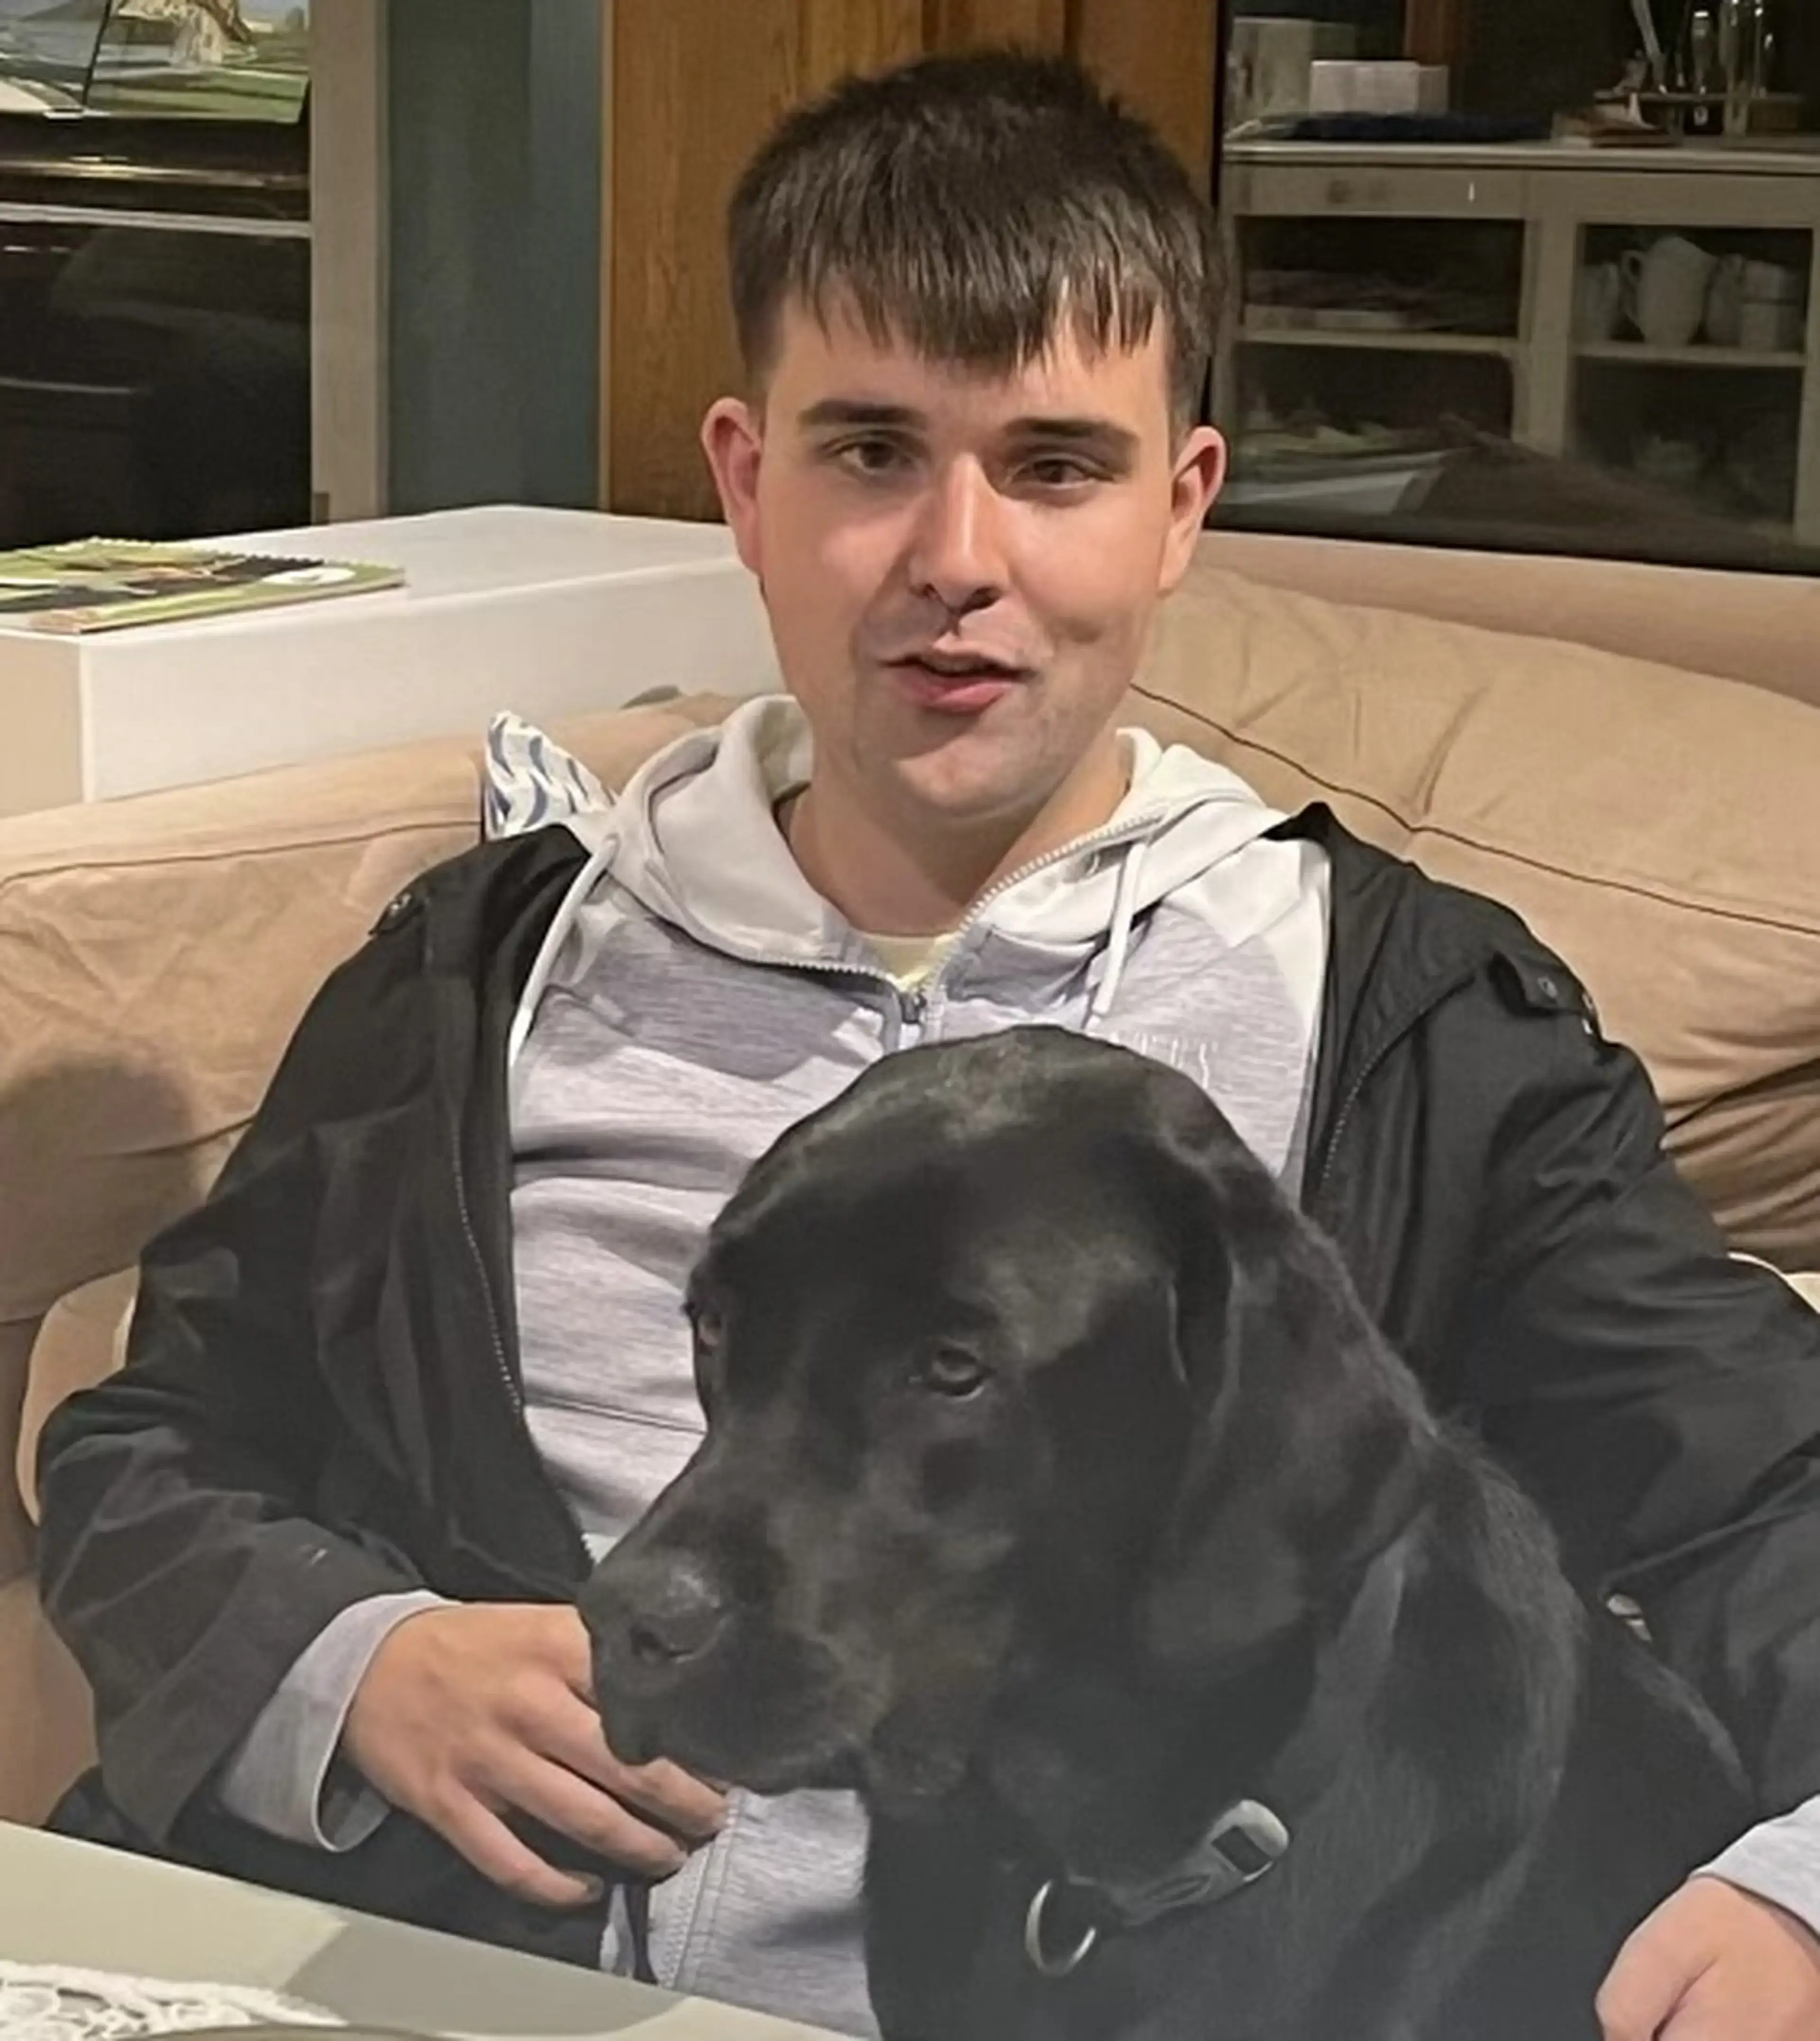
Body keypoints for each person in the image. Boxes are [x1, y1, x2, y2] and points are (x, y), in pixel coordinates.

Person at [34, 49, 1820, 2041]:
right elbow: (144, 1435)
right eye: (871, 450)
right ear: (743, 479)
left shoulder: (1420, 1029)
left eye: (1056, 464)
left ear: (1180, 508)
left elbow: (1769, 1486)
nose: (956, 554)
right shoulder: (475, 980)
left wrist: (1805, 1876)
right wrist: (348, 1661)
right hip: (428, 1964)